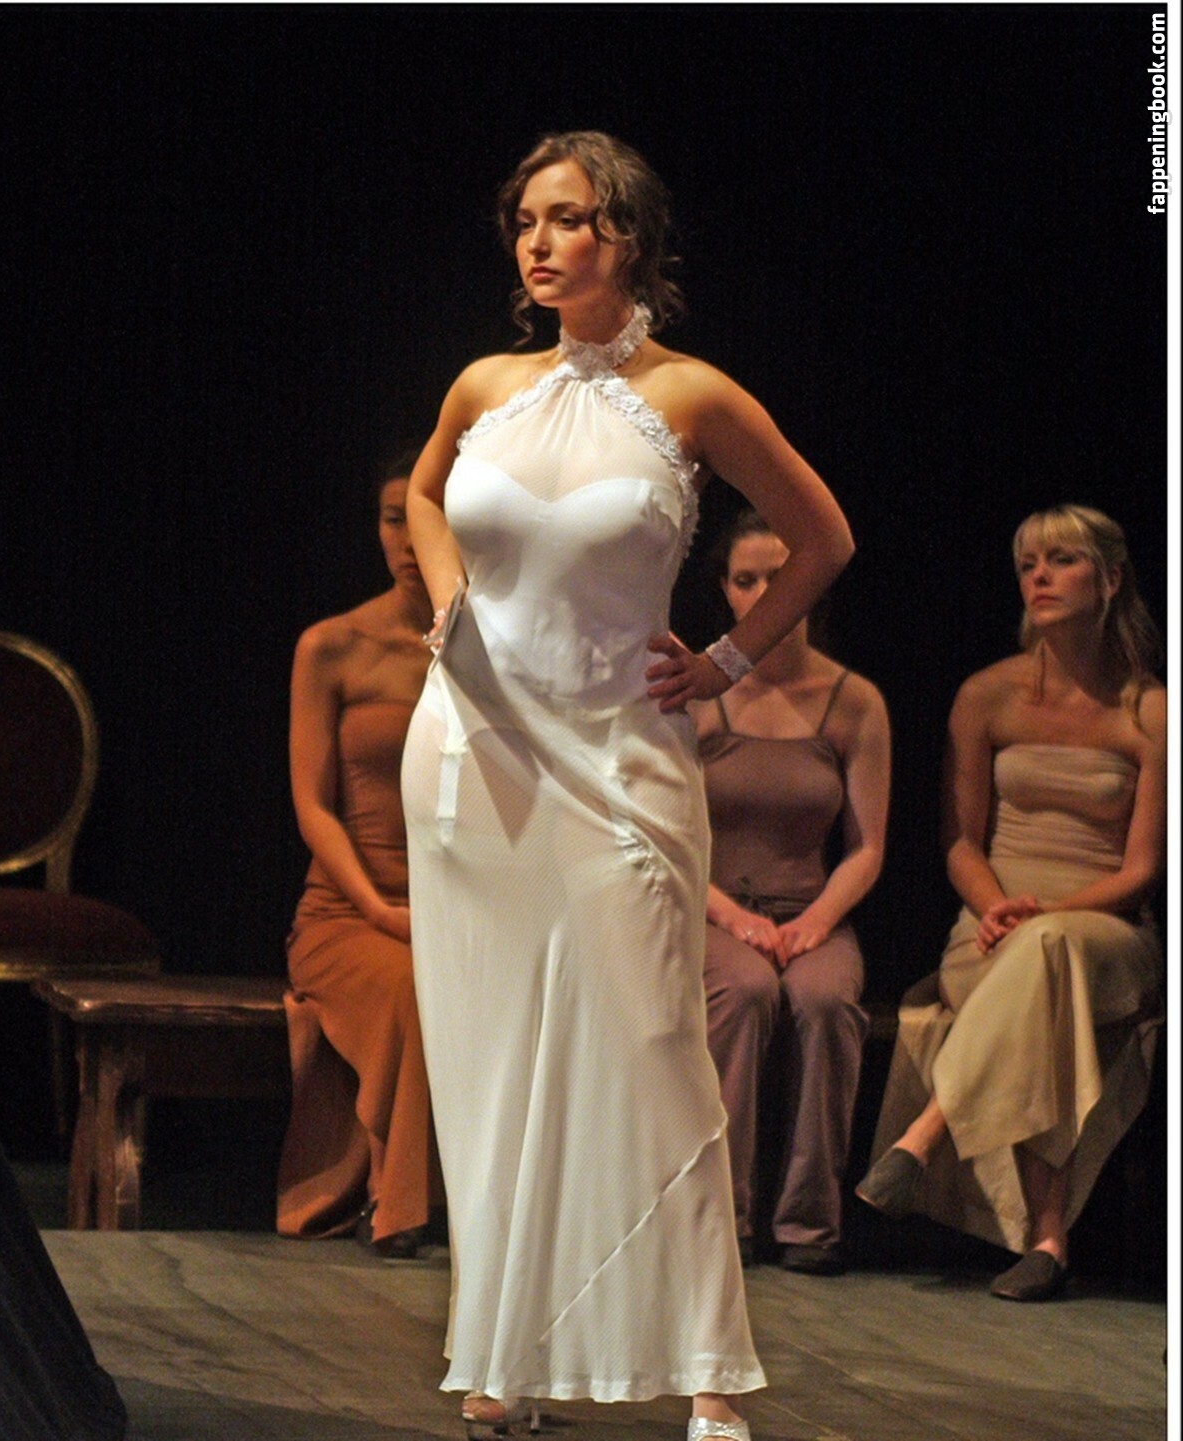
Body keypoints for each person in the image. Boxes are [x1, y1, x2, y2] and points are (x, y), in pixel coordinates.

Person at [400, 131, 854, 1441]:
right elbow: (425, 496)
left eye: (569, 218)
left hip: (618, 754)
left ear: (630, 238)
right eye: (526, 221)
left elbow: (823, 537)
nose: (540, 243)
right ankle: (508, 1352)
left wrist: (723, 663)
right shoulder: (486, 384)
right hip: (475, 744)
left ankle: (710, 1370)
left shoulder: (693, 395)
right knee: (497, 1059)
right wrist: (449, 599)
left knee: (654, 1048)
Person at [856, 504, 1165, 1301]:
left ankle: (927, 1130)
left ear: (1111, 578)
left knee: (1051, 952)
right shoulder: (986, 694)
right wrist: (996, 906)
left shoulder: (1152, 711)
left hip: (1105, 932)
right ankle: (1048, 1238)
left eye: (1061, 560)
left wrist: (1050, 916)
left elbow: (1142, 869)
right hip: (991, 926)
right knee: (1040, 983)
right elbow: (961, 841)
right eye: (1028, 563)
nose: (1039, 577)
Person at [695, 510, 890, 1276]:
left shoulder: (853, 700)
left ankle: (811, 1224)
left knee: (825, 1000)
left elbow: (867, 847)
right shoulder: (701, 694)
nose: (765, 592)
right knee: (745, 993)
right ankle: (724, 1216)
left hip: (812, 913)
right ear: (726, 591)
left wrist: (817, 919)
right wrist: (732, 916)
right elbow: (665, 834)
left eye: (779, 576)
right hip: (712, 909)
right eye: (747, 579)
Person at [277, 453, 439, 1256]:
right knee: (413, 984)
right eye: (391, 517)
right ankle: (397, 1201)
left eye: (425, 516)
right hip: (348, 909)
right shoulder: (333, 645)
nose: (407, 538)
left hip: (456, 900)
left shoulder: (488, 647)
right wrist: (378, 906)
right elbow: (313, 807)